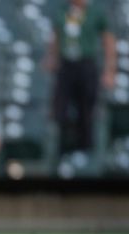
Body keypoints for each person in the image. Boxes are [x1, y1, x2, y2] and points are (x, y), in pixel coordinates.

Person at [46, 0, 116, 155]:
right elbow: (56, 36)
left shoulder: (95, 12)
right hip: (66, 65)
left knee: (86, 110)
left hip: (86, 65)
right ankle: (61, 152)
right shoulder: (62, 10)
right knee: (60, 110)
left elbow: (108, 41)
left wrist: (110, 70)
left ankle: (86, 153)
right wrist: (51, 57)